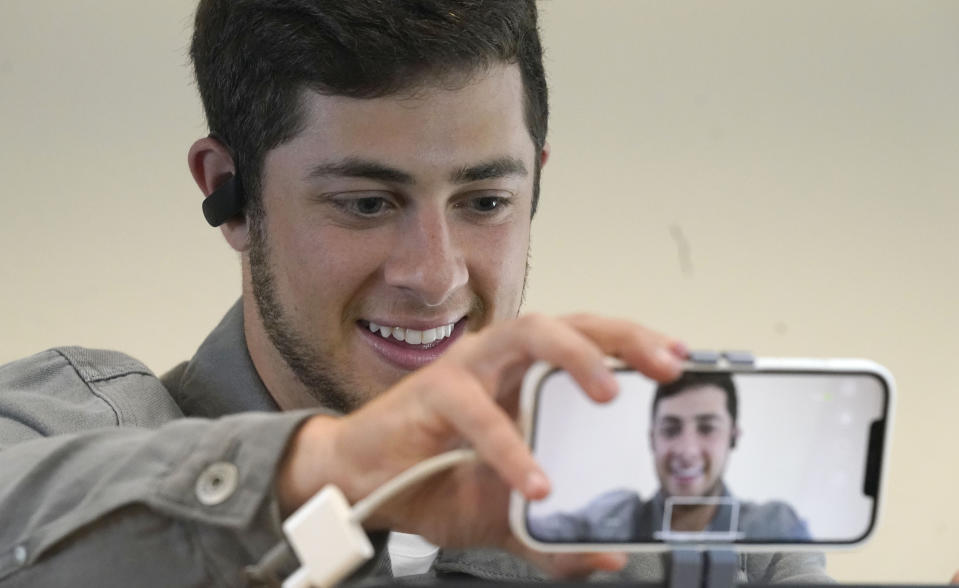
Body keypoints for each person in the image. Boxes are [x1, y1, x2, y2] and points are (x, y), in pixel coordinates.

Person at [0, 1, 830, 586]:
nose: (436, 277)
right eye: (366, 203)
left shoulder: (698, 531)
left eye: (484, 202)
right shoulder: (58, 432)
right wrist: (336, 469)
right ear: (231, 193)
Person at [529, 372, 811, 543]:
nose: (687, 451)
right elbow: (522, 544)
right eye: (671, 429)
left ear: (733, 437)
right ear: (652, 438)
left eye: (707, 428)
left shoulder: (775, 525)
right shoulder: (613, 518)